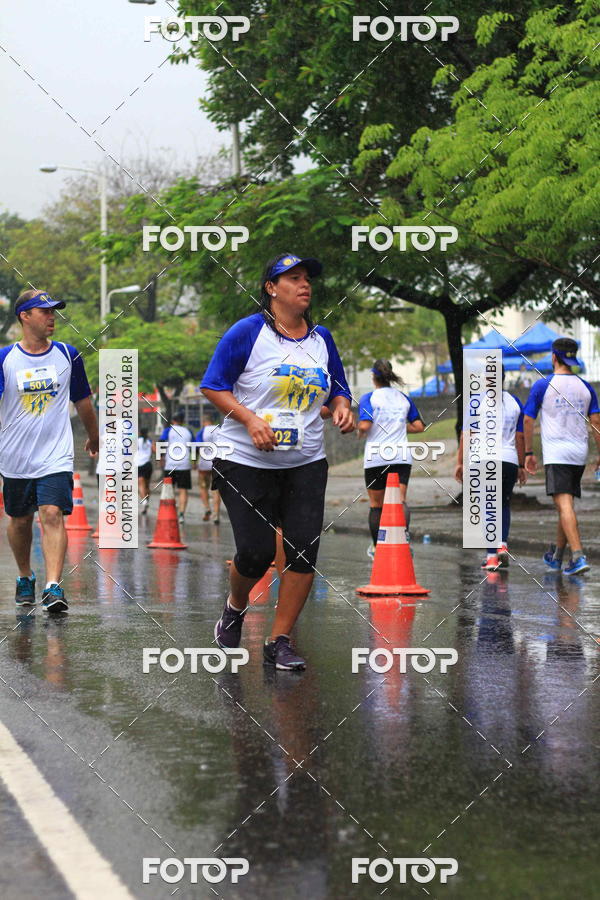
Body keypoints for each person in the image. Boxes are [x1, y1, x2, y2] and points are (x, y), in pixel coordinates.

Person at [201, 253, 354, 671]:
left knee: (303, 551)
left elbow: (339, 388)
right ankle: (236, 606)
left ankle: (279, 640)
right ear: (271, 288)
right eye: (294, 278)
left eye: (308, 279)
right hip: (245, 460)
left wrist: (342, 407)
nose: (305, 285)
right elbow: (213, 386)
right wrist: (250, 420)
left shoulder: (321, 338)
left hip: (306, 461)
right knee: (255, 553)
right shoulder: (248, 332)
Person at [0, 289, 98, 612]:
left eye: (53, 311)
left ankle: (53, 586)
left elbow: (83, 401)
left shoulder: (68, 356)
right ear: (25, 316)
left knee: (52, 513)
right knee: (19, 521)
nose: (52, 317)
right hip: (15, 457)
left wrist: (95, 436)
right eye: (44, 311)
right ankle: (25, 576)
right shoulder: (5, 359)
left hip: (55, 454)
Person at [523, 337, 600, 575]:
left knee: (564, 505)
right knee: (565, 505)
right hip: (579, 454)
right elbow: (596, 422)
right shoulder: (586, 387)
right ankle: (557, 557)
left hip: (557, 453)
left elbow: (528, 420)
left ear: (554, 357)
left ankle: (578, 556)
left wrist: (528, 452)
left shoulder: (543, 385)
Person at [455, 367, 527, 569]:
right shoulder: (515, 402)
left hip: (483, 459)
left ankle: (491, 557)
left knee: (488, 506)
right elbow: (520, 436)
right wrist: (521, 464)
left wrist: (460, 462)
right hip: (509, 459)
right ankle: (502, 544)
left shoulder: (476, 402)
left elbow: (466, 435)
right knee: (503, 503)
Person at [358, 360, 424, 558]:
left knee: (376, 504)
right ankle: (403, 541)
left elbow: (365, 425)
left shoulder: (369, 398)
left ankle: (377, 548)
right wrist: (397, 426)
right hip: (400, 456)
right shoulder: (403, 398)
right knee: (400, 500)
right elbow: (419, 426)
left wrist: (358, 430)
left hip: (376, 456)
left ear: (373, 377)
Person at [158, 411, 194, 524]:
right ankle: (181, 514)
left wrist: (161, 458)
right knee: (183, 490)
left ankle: (170, 512)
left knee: (169, 490)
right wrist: (193, 461)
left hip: (170, 465)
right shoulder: (188, 431)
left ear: (173, 420)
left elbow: (161, 442)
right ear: (183, 421)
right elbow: (194, 446)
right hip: (184, 464)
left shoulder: (168, 430)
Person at [195, 414, 222, 523]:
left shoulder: (202, 431)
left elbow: (197, 447)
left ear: (204, 422)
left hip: (204, 465)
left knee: (203, 487)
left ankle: (207, 508)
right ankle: (216, 514)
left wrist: (194, 462)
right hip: (217, 464)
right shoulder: (219, 430)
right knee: (216, 490)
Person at [137, 427, 154, 515]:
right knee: (146, 486)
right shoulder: (150, 441)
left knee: (140, 485)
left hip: (139, 465)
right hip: (148, 464)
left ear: (140, 433)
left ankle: (144, 502)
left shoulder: (137, 441)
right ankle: (146, 502)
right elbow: (155, 450)